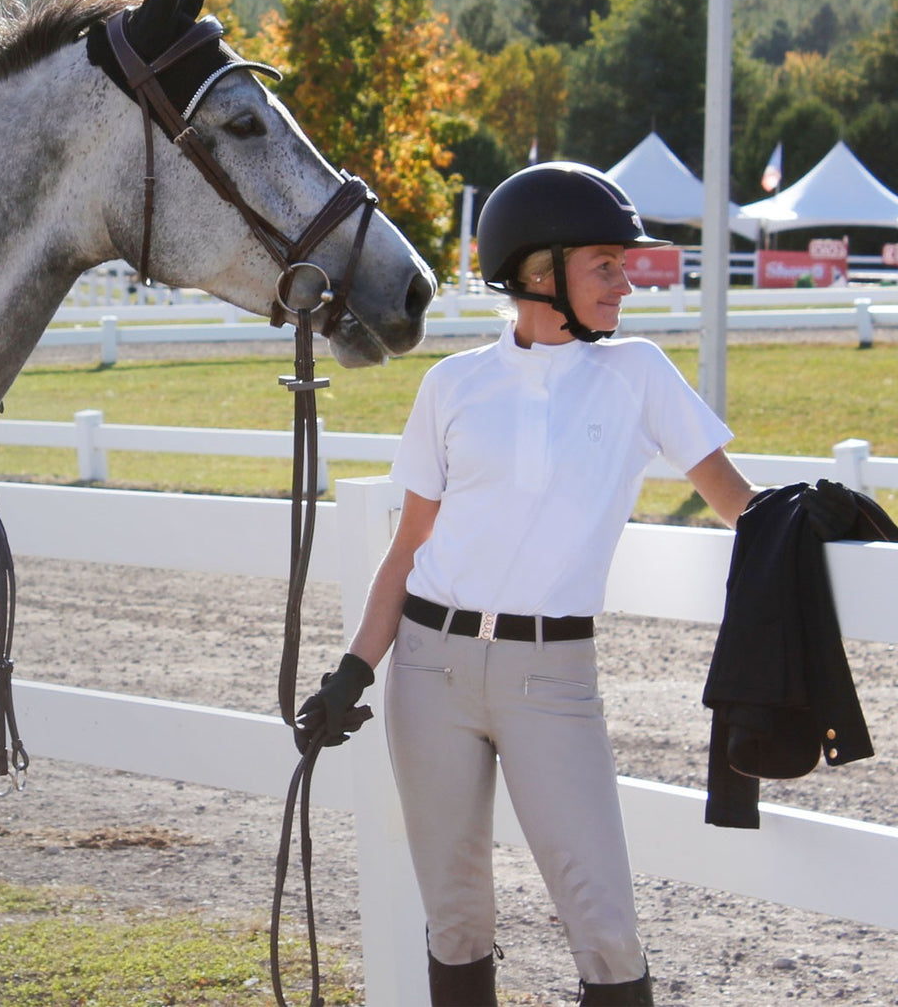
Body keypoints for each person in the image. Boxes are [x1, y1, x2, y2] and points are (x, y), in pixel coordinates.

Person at [297, 162, 759, 1006]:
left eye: (624, 265)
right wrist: (352, 672)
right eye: (606, 266)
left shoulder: (640, 375)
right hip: (428, 673)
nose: (627, 282)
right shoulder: (453, 386)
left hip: (553, 679)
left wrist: (812, 532)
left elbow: (740, 505)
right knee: (457, 920)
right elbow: (408, 549)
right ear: (540, 275)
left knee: (606, 928)